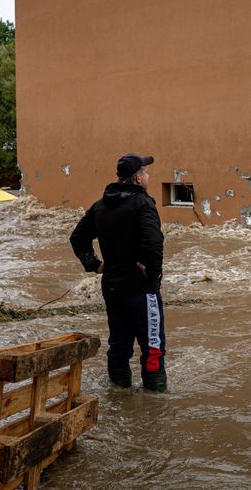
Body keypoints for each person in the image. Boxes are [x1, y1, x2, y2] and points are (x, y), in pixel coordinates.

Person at [70, 153, 167, 392]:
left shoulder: (100, 205)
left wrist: (94, 264)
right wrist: (152, 274)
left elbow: (77, 237)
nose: (148, 176)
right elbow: (154, 242)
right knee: (153, 348)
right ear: (137, 179)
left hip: (112, 287)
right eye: (145, 172)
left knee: (119, 346)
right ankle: (155, 405)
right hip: (141, 289)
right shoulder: (143, 203)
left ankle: (119, 396)